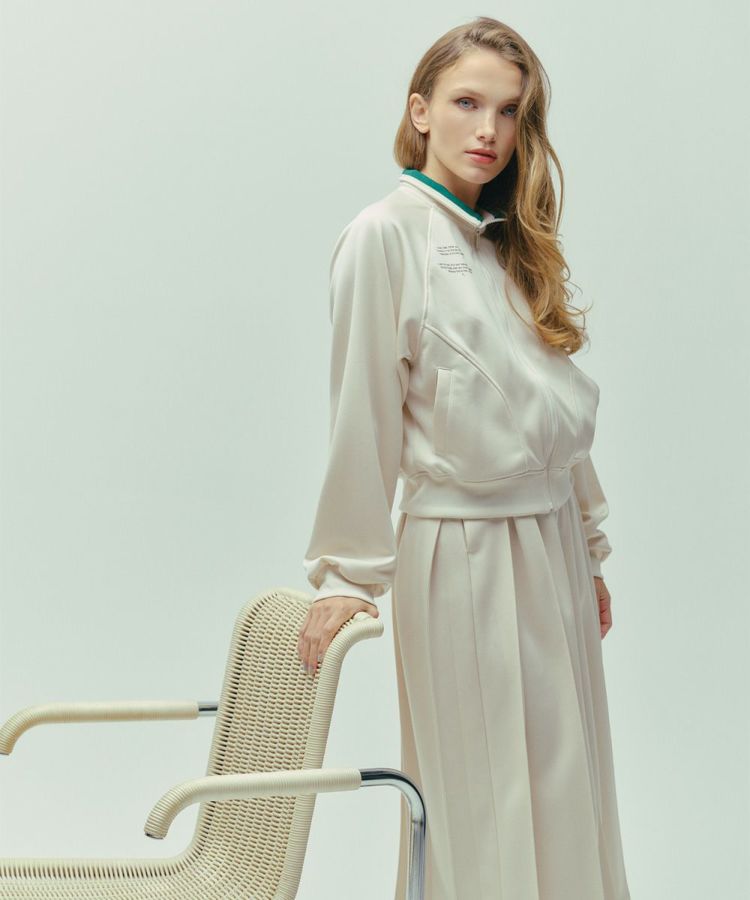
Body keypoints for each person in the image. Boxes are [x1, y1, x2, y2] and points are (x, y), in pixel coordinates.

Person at [297, 16, 631, 900]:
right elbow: (362, 408)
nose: (489, 130)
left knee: (568, 787)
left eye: (510, 111)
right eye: (466, 103)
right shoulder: (384, 235)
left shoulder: (509, 242)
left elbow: (551, 408)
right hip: (463, 551)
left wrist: (590, 547)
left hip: (552, 547)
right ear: (420, 111)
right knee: (484, 795)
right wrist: (347, 576)